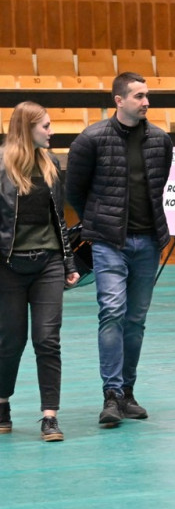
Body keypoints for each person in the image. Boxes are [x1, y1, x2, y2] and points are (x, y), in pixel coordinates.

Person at [67, 72, 173, 427]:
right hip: (109, 242)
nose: (146, 102)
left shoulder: (161, 140)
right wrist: (98, 221)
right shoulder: (91, 139)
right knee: (112, 312)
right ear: (119, 100)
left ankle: (127, 392)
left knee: (136, 319)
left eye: (147, 96)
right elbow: (74, 190)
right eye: (139, 96)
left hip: (149, 241)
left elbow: (160, 183)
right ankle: (111, 394)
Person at [0, 102, 80, 441]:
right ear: (26, 128)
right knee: (10, 341)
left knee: (47, 340)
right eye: (45, 126)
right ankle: (2, 404)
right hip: (8, 266)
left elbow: (59, 220)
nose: (52, 131)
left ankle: (50, 416)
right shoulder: (2, 166)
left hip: (48, 263)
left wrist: (69, 263)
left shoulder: (51, 163)